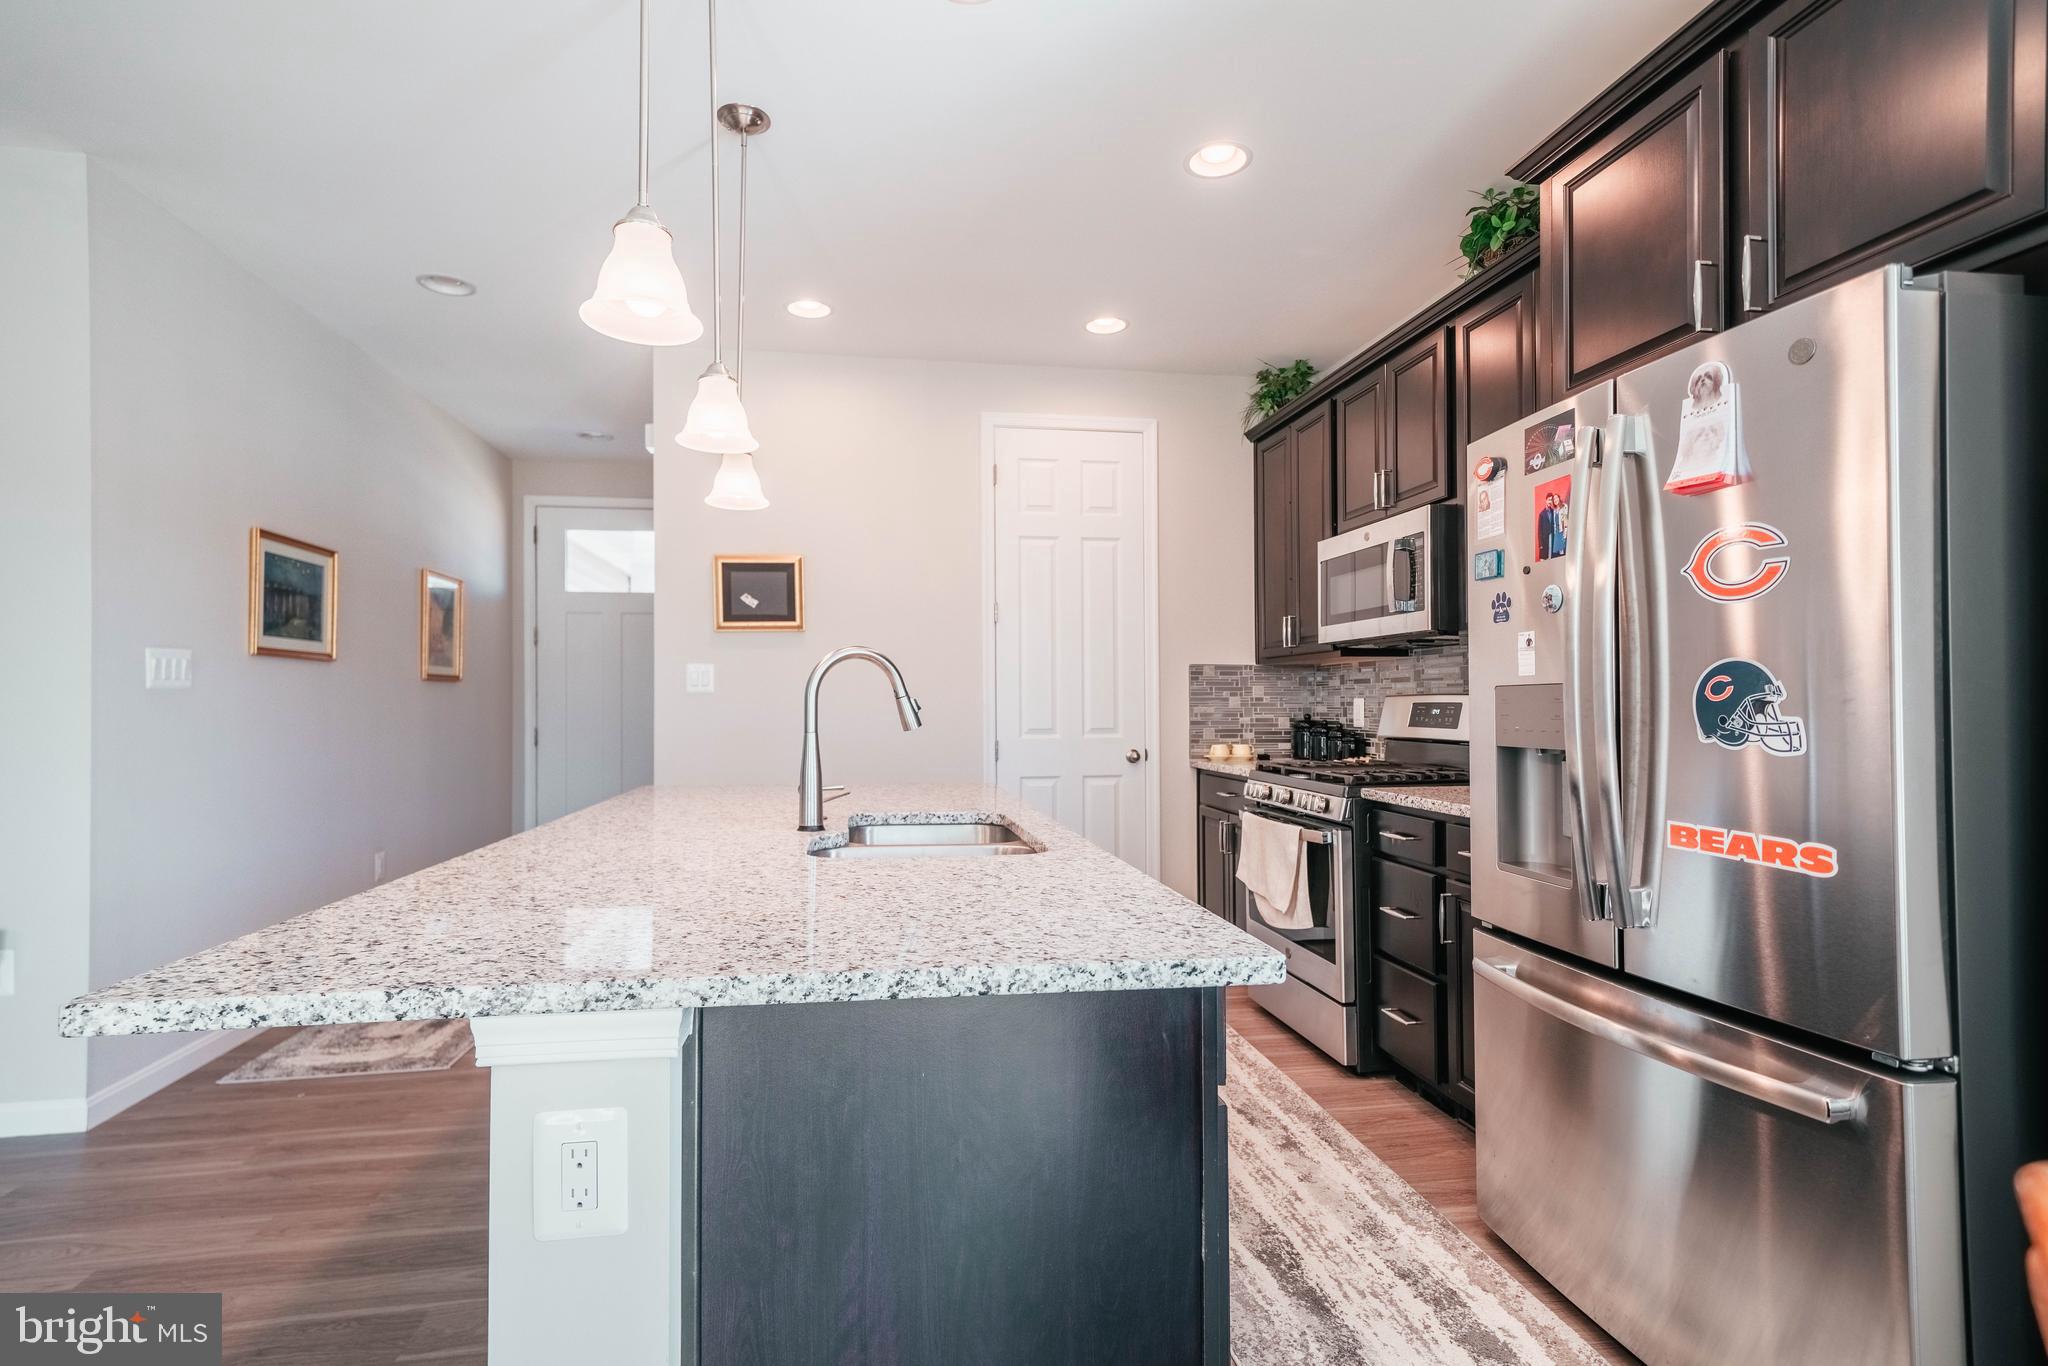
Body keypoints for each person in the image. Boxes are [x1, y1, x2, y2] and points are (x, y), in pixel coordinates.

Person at [1537, 491, 1568, 560]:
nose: (1550, 502)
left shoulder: (1554, 511)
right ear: (1546, 500)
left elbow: (1564, 521)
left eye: (1551, 500)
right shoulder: (1542, 514)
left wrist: (1564, 534)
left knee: (1555, 556)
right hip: (1545, 539)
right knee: (1544, 558)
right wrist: (1540, 544)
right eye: (1549, 500)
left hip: (1554, 537)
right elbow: (1539, 530)